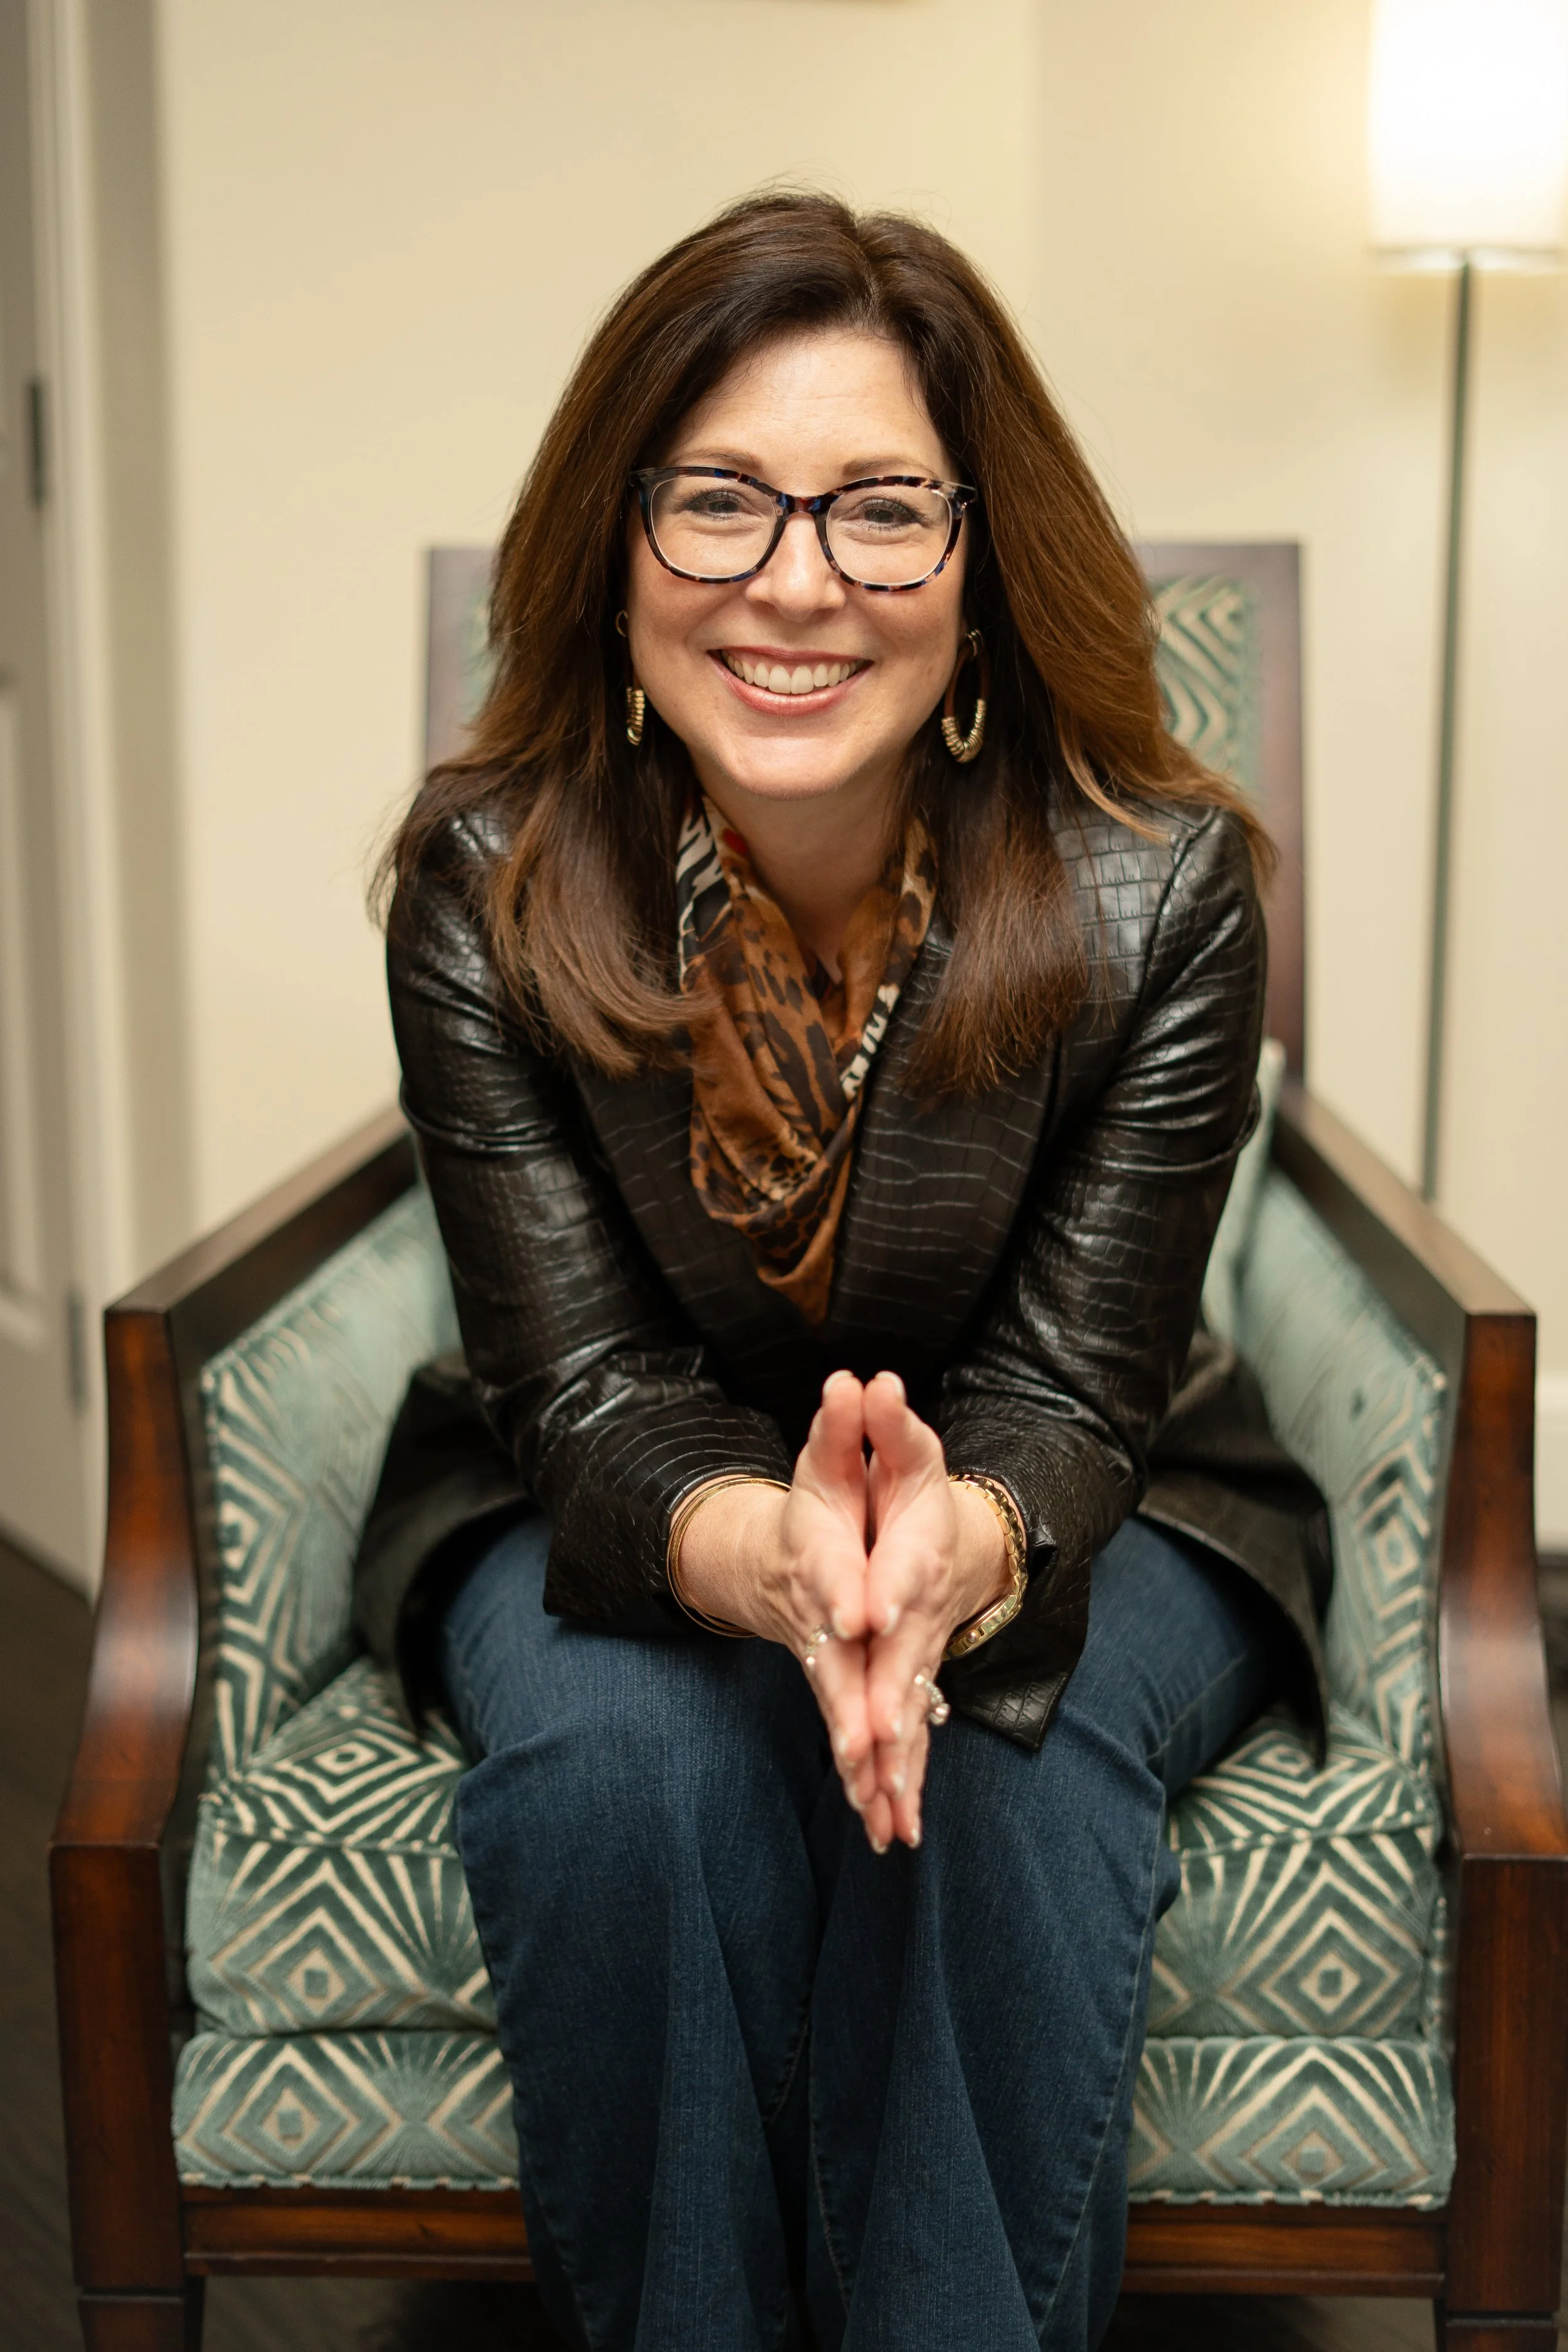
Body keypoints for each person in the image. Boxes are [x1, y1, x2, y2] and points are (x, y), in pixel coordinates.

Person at [363, 191, 1331, 2352]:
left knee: (1001, 1741)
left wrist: (950, 1552)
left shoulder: (1165, 885)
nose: (795, 580)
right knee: (626, 1771)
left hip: (1107, 1477)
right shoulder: (478, 882)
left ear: (977, 575)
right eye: (716, 502)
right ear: (612, 557)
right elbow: (584, 1384)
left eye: (882, 511)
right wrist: (771, 1554)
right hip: (614, 1479)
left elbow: (1083, 1391)